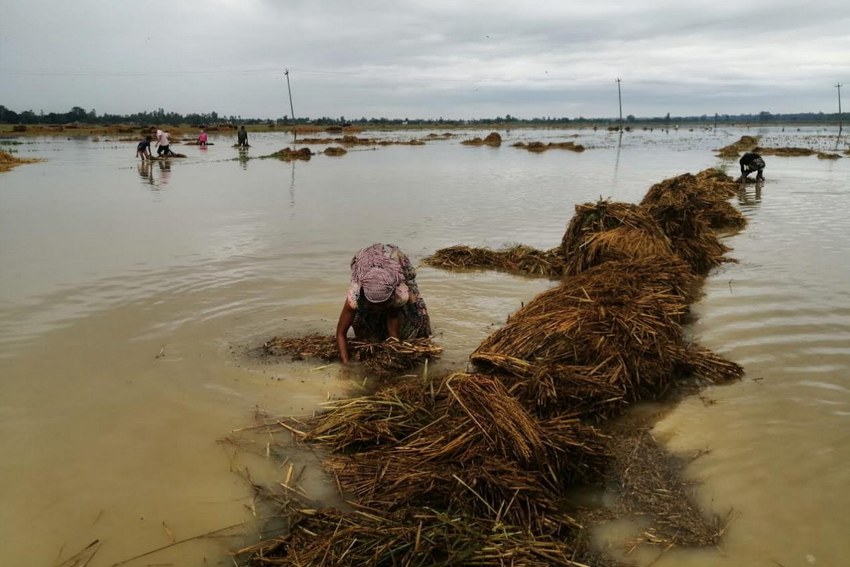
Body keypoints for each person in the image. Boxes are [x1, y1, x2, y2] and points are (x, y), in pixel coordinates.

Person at [335, 243, 432, 364]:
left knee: (417, 315)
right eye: (372, 304)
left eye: (382, 304)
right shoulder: (355, 296)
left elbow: (393, 322)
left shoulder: (399, 294)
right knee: (361, 325)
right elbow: (340, 333)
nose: (377, 309)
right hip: (366, 260)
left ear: (391, 297)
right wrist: (346, 364)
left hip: (395, 260)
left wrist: (395, 351)